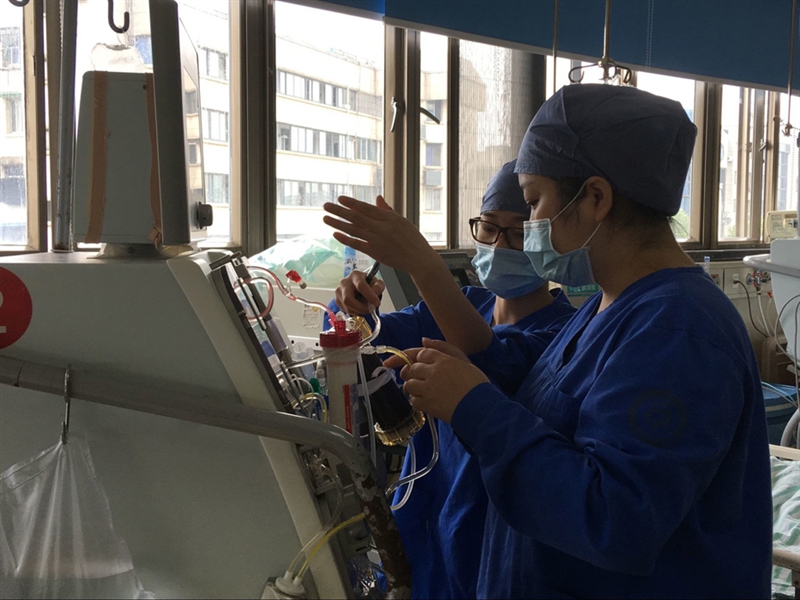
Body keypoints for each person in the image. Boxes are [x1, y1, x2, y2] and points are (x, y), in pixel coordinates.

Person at [327, 84, 773, 598]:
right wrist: (458, 374)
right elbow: (522, 373)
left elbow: (614, 518)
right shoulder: (607, 307)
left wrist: (474, 406)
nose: (531, 223)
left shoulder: (679, 329)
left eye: (534, 202)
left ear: (596, 198)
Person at [324, 160, 576, 599]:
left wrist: (423, 263)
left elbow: (488, 356)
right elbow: (368, 337)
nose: (500, 245)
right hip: (422, 525)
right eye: (489, 228)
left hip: (485, 542)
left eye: (519, 232)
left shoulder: (564, 334)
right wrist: (352, 301)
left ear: (546, 237)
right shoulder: (465, 303)